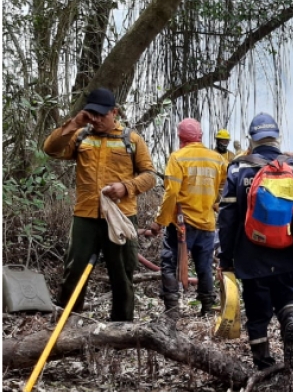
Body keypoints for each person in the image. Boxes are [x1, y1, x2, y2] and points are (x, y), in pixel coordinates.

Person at [217, 113, 293, 370]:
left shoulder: (238, 169)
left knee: (257, 311)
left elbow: (226, 219)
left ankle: (264, 363)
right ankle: (291, 322)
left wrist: (225, 259)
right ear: (277, 138)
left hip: (251, 256)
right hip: (289, 253)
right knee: (289, 296)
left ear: (252, 140)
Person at [42, 87, 157, 321]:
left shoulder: (131, 139)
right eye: (92, 114)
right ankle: (68, 321)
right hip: (85, 216)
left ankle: (121, 327)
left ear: (114, 112)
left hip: (121, 217)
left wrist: (126, 187)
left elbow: (150, 176)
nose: (96, 120)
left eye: (102, 115)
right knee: (74, 270)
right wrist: (74, 123)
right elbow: (50, 149)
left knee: (122, 273)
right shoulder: (81, 136)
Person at [151, 118, 226, 318]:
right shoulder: (217, 159)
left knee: (169, 264)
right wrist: (214, 204)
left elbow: (171, 194)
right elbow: (223, 188)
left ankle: (173, 311)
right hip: (207, 223)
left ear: (180, 138)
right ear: (200, 136)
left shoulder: (178, 158)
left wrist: (160, 222)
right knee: (204, 266)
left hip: (181, 225)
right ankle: (208, 309)